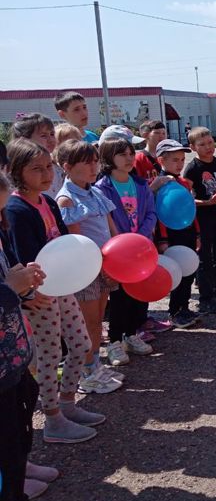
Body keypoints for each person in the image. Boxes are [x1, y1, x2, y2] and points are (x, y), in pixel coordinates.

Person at [5, 139, 104, 444]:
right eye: (36, 169)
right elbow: (21, 255)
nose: (46, 174)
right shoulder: (15, 207)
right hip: (39, 295)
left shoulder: (46, 202)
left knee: (80, 344)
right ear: (16, 171)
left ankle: (68, 404)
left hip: (63, 287)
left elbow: (62, 242)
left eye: (48, 166)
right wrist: (29, 294)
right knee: (49, 356)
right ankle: (52, 419)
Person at [55, 140, 126, 394]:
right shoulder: (66, 200)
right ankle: (86, 374)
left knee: (97, 322)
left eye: (95, 160)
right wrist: (99, 265)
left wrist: (118, 256)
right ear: (67, 167)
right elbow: (77, 243)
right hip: (85, 270)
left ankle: (95, 365)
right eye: (86, 162)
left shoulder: (96, 192)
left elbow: (112, 229)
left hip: (105, 265)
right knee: (88, 321)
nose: (94, 166)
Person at [0, 170, 51, 501]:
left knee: (18, 428)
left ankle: (17, 489)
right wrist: (9, 289)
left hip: (12, 357)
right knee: (6, 442)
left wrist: (24, 284)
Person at [95, 137, 163, 366]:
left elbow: (151, 214)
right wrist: (124, 242)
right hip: (118, 252)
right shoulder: (101, 188)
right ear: (108, 159)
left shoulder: (141, 185)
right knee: (120, 296)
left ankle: (133, 333)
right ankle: (115, 340)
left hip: (141, 248)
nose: (129, 158)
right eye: (122, 154)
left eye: (131, 153)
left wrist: (140, 238)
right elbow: (107, 221)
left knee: (139, 292)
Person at [184, 127, 216, 313]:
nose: (208, 147)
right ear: (193, 147)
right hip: (202, 218)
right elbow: (186, 198)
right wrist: (207, 202)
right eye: (202, 144)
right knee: (204, 258)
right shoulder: (192, 169)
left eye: (211, 142)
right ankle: (205, 298)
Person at [153, 139, 201, 328]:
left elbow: (191, 211)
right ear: (161, 161)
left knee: (189, 272)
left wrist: (197, 233)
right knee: (178, 274)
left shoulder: (184, 183)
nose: (179, 164)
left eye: (182, 159)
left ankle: (185, 307)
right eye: (174, 160)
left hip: (187, 232)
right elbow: (161, 214)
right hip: (172, 236)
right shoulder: (160, 184)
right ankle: (175, 311)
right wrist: (163, 239)